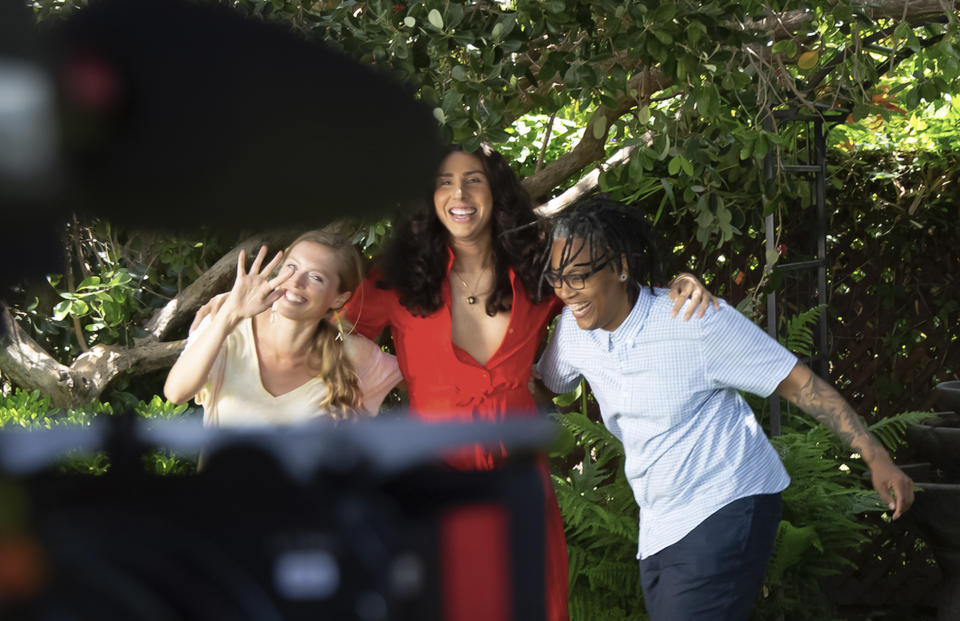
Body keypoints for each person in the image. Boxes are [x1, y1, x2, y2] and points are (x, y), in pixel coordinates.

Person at [344, 144, 718, 621]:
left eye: (474, 179)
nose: (459, 192)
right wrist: (229, 321)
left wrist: (678, 286)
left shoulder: (537, 268)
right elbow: (326, 336)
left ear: (497, 192)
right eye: (444, 181)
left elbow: (615, 298)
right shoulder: (395, 278)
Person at [535, 197, 915, 621]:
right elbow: (542, 385)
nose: (566, 290)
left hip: (727, 500)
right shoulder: (572, 332)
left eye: (579, 276)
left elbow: (797, 383)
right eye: (556, 277)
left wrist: (875, 455)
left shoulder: (693, 320)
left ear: (621, 266)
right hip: (660, 523)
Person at [164, 230, 401, 425]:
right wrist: (228, 315)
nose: (296, 283)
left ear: (339, 299)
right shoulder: (229, 325)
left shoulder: (352, 351)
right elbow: (176, 393)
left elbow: (420, 377)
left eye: (316, 277)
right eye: (292, 267)